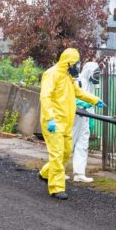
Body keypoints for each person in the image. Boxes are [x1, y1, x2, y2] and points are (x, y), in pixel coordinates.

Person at [38, 48, 105, 200]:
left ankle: (44, 173)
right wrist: (50, 118)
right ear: (68, 62)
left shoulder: (68, 77)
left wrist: (95, 100)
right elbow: (45, 96)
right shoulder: (52, 74)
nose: (78, 66)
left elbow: (78, 93)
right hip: (53, 122)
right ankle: (56, 188)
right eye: (76, 63)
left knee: (66, 153)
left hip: (66, 123)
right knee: (56, 155)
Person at [71, 61, 101, 183]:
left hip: (85, 118)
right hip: (75, 118)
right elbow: (70, 98)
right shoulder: (78, 82)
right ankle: (58, 171)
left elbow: (91, 103)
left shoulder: (90, 85)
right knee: (69, 143)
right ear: (89, 72)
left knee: (82, 145)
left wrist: (91, 118)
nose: (96, 78)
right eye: (95, 75)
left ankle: (79, 173)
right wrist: (81, 103)